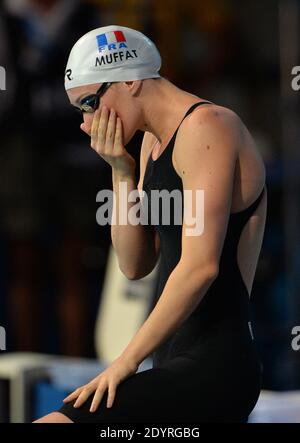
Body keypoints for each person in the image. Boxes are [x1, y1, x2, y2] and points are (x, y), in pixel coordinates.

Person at [34, 25, 267, 423]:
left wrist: (124, 363)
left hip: (216, 365)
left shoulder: (207, 126)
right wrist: (121, 174)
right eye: (80, 111)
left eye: (89, 103)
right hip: (172, 360)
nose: (87, 124)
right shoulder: (150, 144)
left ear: (128, 78)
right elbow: (134, 265)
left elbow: (199, 267)